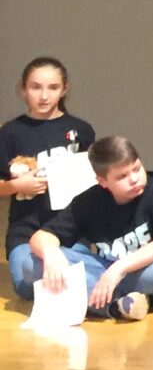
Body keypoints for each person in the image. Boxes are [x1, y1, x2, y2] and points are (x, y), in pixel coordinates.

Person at [20, 137, 153, 321]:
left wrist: (118, 269)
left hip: (145, 270)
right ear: (102, 181)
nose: (134, 179)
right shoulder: (90, 200)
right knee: (32, 264)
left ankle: (97, 301)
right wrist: (51, 254)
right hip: (104, 271)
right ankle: (119, 305)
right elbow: (41, 236)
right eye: (122, 176)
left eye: (137, 168)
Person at [2, 57, 97, 296]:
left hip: (70, 231)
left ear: (64, 90)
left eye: (53, 88)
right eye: (36, 87)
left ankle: (110, 295)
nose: (44, 96)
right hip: (25, 232)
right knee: (29, 283)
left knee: (61, 278)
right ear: (23, 89)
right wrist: (17, 185)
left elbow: (94, 180)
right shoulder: (10, 133)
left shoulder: (81, 130)